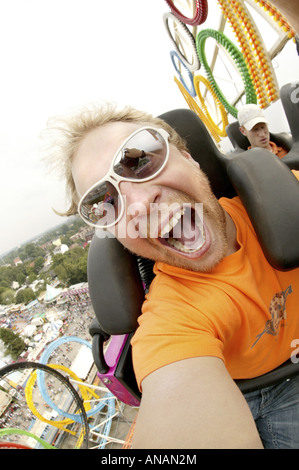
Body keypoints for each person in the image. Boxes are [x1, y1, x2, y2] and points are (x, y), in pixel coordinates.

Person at [47, 103, 299, 449]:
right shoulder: (169, 319)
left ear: (188, 156)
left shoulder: (292, 200)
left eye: (140, 159)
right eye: (104, 202)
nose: (138, 204)